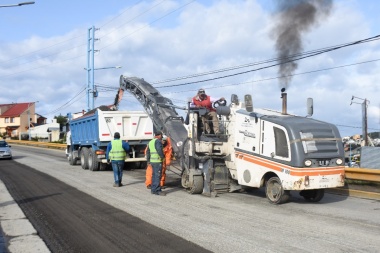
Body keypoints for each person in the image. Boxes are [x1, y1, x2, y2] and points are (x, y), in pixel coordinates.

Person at [146, 131, 166, 196]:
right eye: (161, 136)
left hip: (152, 161)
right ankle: (158, 190)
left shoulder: (151, 142)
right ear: (159, 135)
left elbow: (148, 152)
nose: (162, 137)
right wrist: (162, 157)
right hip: (157, 161)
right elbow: (159, 150)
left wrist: (148, 161)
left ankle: (153, 189)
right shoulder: (157, 141)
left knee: (154, 175)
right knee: (157, 176)